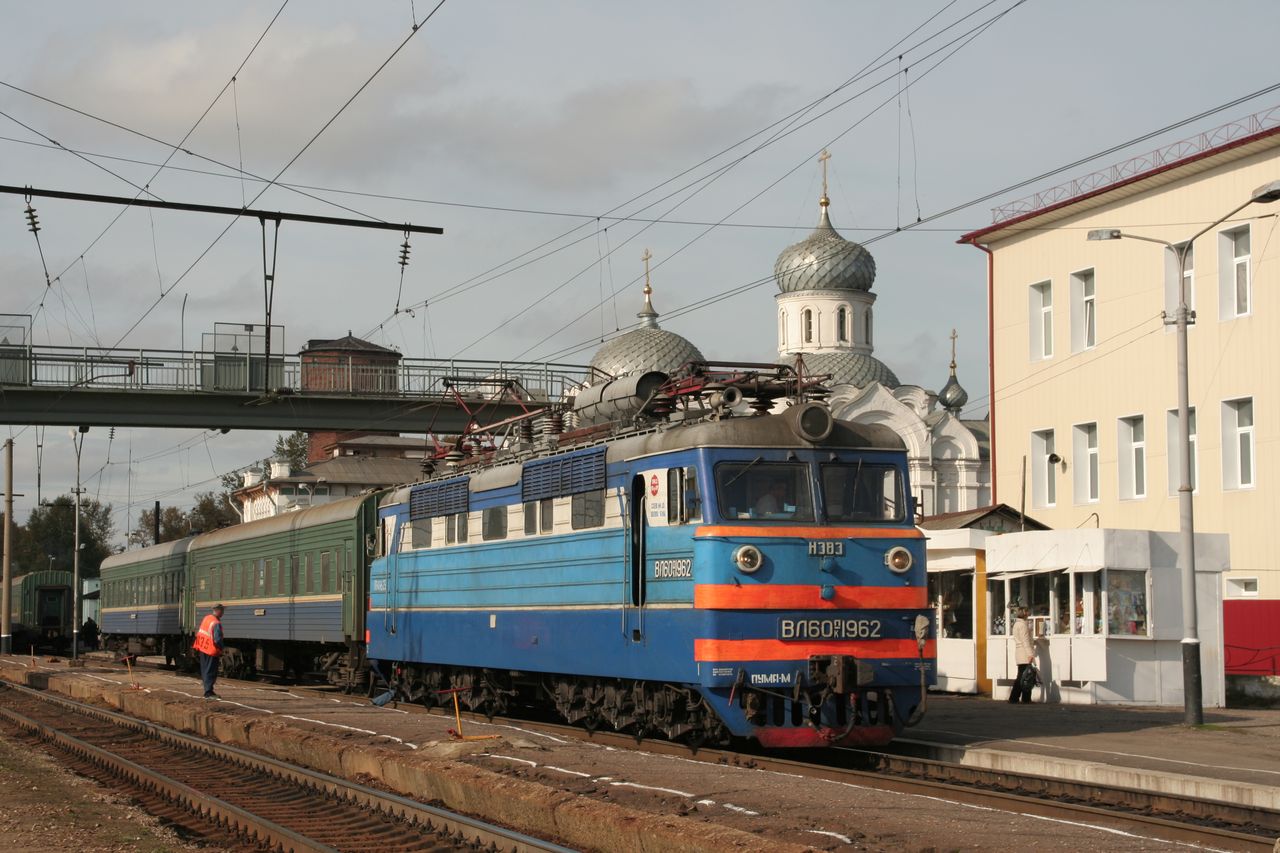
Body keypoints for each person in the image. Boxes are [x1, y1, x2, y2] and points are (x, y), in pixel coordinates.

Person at [192, 603, 225, 699]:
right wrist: (221, 649)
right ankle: (208, 692)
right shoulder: (216, 623)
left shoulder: (207, 618)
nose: (223, 613)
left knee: (205, 670)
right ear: (218, 611)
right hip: (211, 650)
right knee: (210, 671)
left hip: (203, 648)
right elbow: (217, 639)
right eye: (222, 610)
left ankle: (208, 690)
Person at [1008, 607, 1035, 704]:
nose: (1029, 613)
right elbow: (1025, 641)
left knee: (1023, 676)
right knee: (1025, 677)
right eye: (1027, 611)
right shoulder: (1023, 625)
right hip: (1024, 653)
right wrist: (1030, 654)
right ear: (1024, 613)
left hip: (1020, 652)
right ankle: (1019, 698)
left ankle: (1018, 698)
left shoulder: (1017, 624)